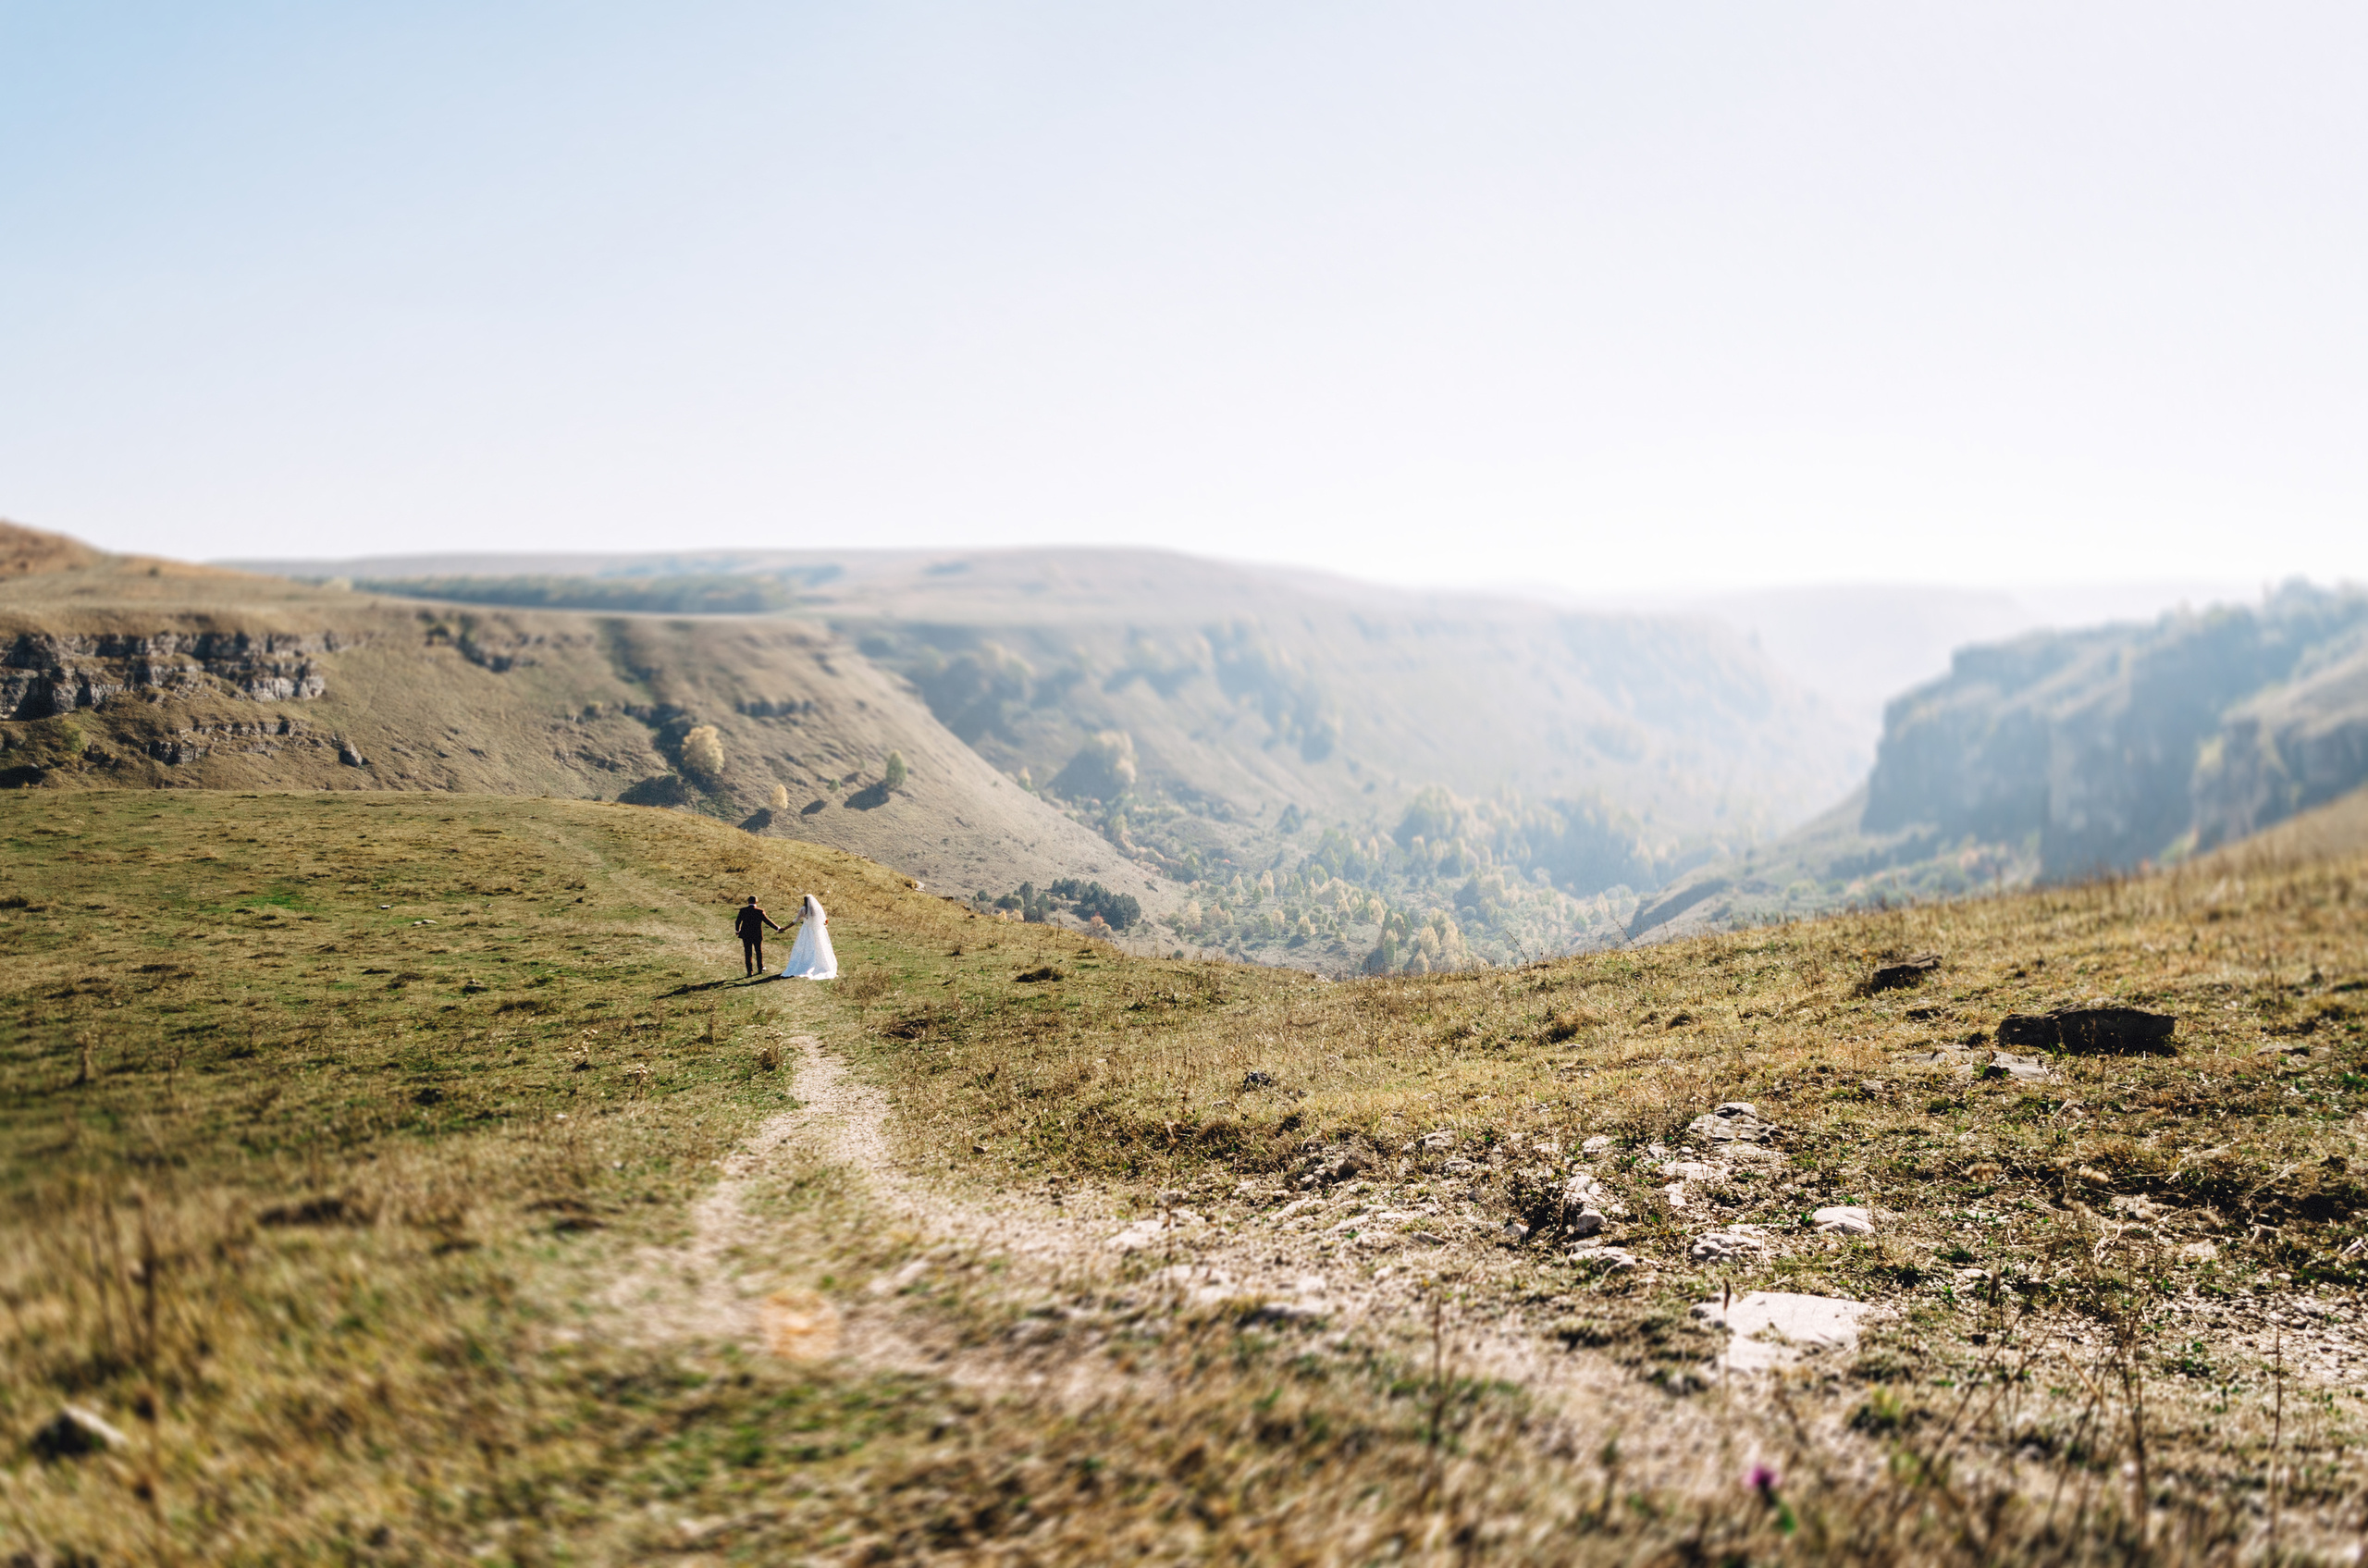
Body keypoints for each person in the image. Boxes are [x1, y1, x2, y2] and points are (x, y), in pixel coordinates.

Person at [780, 894, 838, 980]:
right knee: (819, 947)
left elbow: (795, 921)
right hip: (817, 931)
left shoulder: (803, 909)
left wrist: (785, 928)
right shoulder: (817, 909)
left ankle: (805, 964)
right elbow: (825, 921)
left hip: (806, 931)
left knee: (805, 947)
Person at [734, 895, 783, 977]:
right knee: (758, 951)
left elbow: (737, 921)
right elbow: (767, 921)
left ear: (748, 902)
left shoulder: (743, 910)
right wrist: (777, 928)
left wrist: (737, 930)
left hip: (746, 934)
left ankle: (750, 971)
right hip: (757, 934)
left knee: (747, 952)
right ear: (756, 902)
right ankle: (760, 968)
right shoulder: (760, 911)